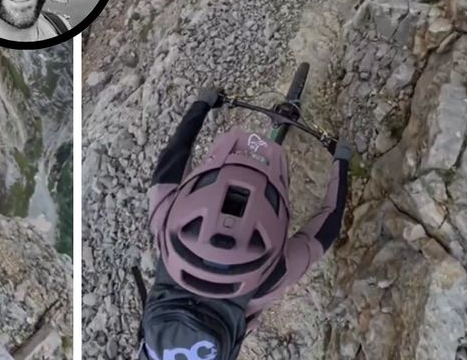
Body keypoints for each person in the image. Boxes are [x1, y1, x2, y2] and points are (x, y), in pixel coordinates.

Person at [138, 89, 352, 360]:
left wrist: (341, 160)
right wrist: (202, 105)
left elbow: (325, 229)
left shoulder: (272, 279)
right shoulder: (163, 224)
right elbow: (172, 160)